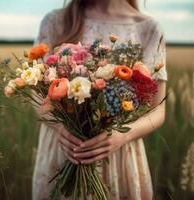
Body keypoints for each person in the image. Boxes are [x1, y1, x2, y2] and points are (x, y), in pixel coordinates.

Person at [32, 0, 167, 199]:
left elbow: (158, 110)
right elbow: (36, 94)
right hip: (65, 149)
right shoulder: (56, 21)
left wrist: (122, 135)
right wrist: (60, 127)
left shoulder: (148, 29)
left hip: (116, 152)